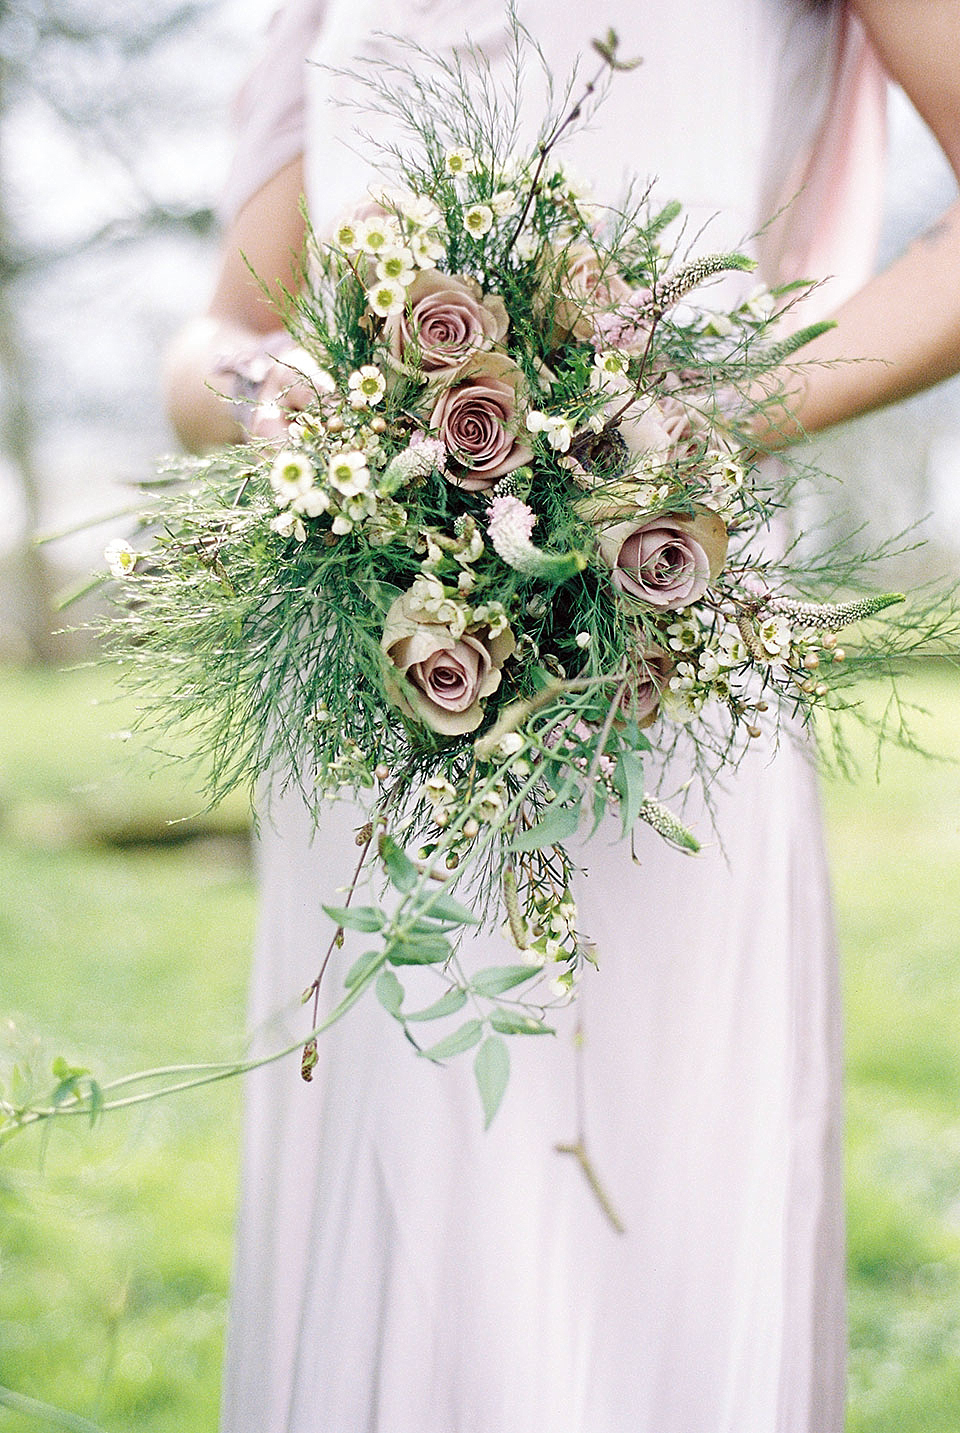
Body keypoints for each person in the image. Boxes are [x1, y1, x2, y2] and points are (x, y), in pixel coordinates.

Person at [164, 3, 960, 1430]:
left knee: (638, 1225)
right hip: (381, 688)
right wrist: (272, 403)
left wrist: (678, 414)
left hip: (658, 656)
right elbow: (220, 327)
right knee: (396, 1199)